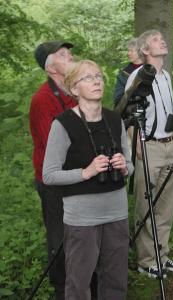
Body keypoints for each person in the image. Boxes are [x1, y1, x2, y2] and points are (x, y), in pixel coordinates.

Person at [42, 59, 133, 299]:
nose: (96, 82)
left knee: (115, 281)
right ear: (74, 88)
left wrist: (125, 167)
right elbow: (49, 175)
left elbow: (131, 165)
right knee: (79, 283)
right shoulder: (63, 124)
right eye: (88, 78)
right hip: (82, 218)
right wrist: (86, 172)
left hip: (117, 212)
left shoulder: (115, 120)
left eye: (99, 77)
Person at [125, 30, 173, 279]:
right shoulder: (138, 77)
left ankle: (162, 254)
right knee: (147, 204)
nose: (163, 41)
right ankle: (146, 259)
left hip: (170, 145)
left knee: (166, 204)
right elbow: (127, 113)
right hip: (147, 145)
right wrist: (135, 143)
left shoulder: (166, 76)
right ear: (146, 50)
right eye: (157, 40)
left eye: (163, 38)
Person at [29, 40, 76, 299]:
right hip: (53, 182)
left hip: (79, 175)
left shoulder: (74, 91)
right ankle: (62, 290)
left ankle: (86, 282)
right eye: (62, 54)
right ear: (50, 69)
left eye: (69, 52)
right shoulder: (42, 100)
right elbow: (53, 148)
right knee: (59, 240)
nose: (69, 56)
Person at [113, 38, 143, 106]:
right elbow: (117, 99)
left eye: (132, 51)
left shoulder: (150, 70)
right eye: (128, 50)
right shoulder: (124, 74)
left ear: (140, 52)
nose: (128, 53)